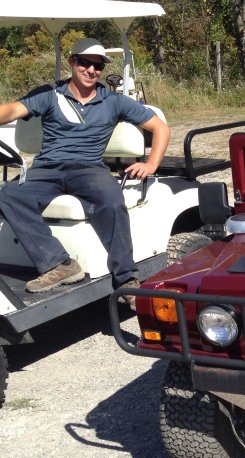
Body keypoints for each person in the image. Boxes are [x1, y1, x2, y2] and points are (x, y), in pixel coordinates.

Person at [0, 37, 170, 299]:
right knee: (8, 195)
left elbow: (160, 127)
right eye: (84, 63)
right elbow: (11, 110)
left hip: (88, 168)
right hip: (46, 169)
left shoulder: (113, 101)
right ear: (72, 62)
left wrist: (151, 163)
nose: (91, 70)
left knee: (112, 201)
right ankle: (60, 264)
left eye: (97, 65)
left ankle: (126, 278)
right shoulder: (49, 94)